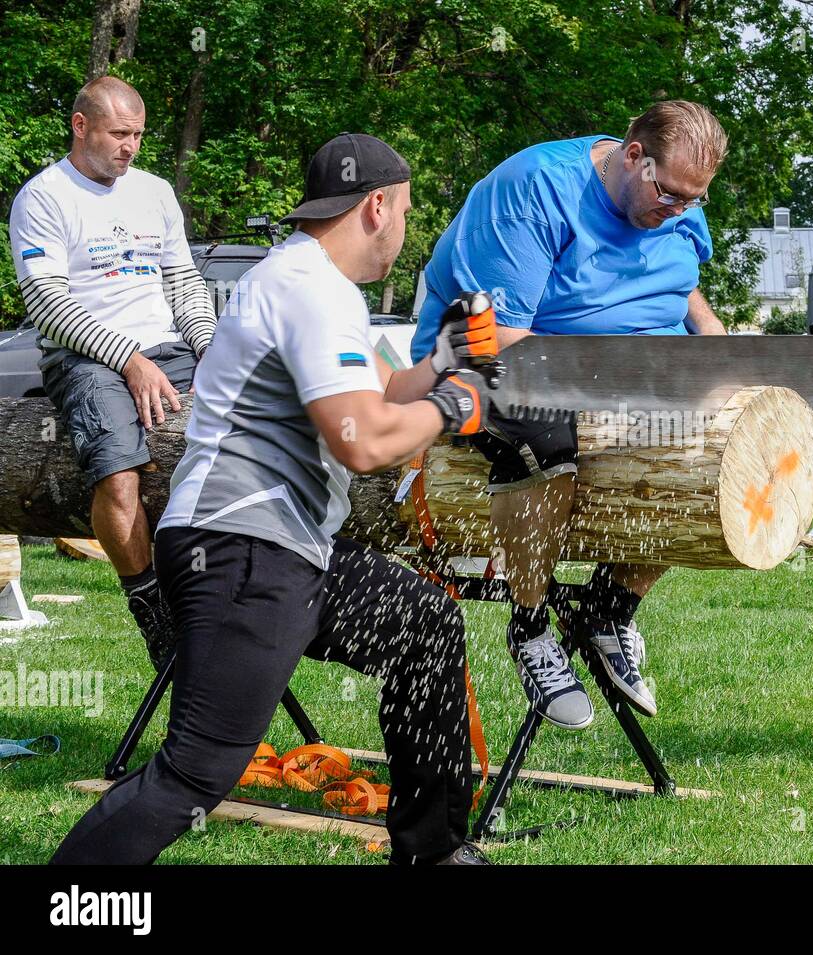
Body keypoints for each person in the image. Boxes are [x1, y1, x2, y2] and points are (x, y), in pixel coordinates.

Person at [50, 133, 494, 865]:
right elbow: (360, 438)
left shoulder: (306, 279)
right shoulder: (310, 289)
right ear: (377, 206)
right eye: (408, 211)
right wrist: (457, 405)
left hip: (287, 547)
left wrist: (444, 363)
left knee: (425, 625)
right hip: (241, 548)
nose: (407, 228)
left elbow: (370, 399)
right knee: (196, 770)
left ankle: (433, 851)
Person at [411, 100, 729, 730]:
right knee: (546, 434)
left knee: (714, 445)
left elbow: (681, 276)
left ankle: (610, 609)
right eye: (669, 194)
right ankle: (529, 627)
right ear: (633, 156)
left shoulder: (675, 199)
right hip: (490, 361)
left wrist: (708, 331)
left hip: (625, 367)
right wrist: (612, 377)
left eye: (694, 200)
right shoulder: (531, 189)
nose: (678, 210)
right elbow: (496, 335)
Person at [7, 76, 216, 670]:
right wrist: (129, 360)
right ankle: (154, 615)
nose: (131, 147)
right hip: (84, 357)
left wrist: (209, 350)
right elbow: (47, 303)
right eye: (119, 134)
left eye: (139, 135)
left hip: (168, 345)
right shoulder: (44, 197)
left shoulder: (153, 192)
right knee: (119, 473)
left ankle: (218, 598)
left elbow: (182, 281)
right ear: (80, 125)